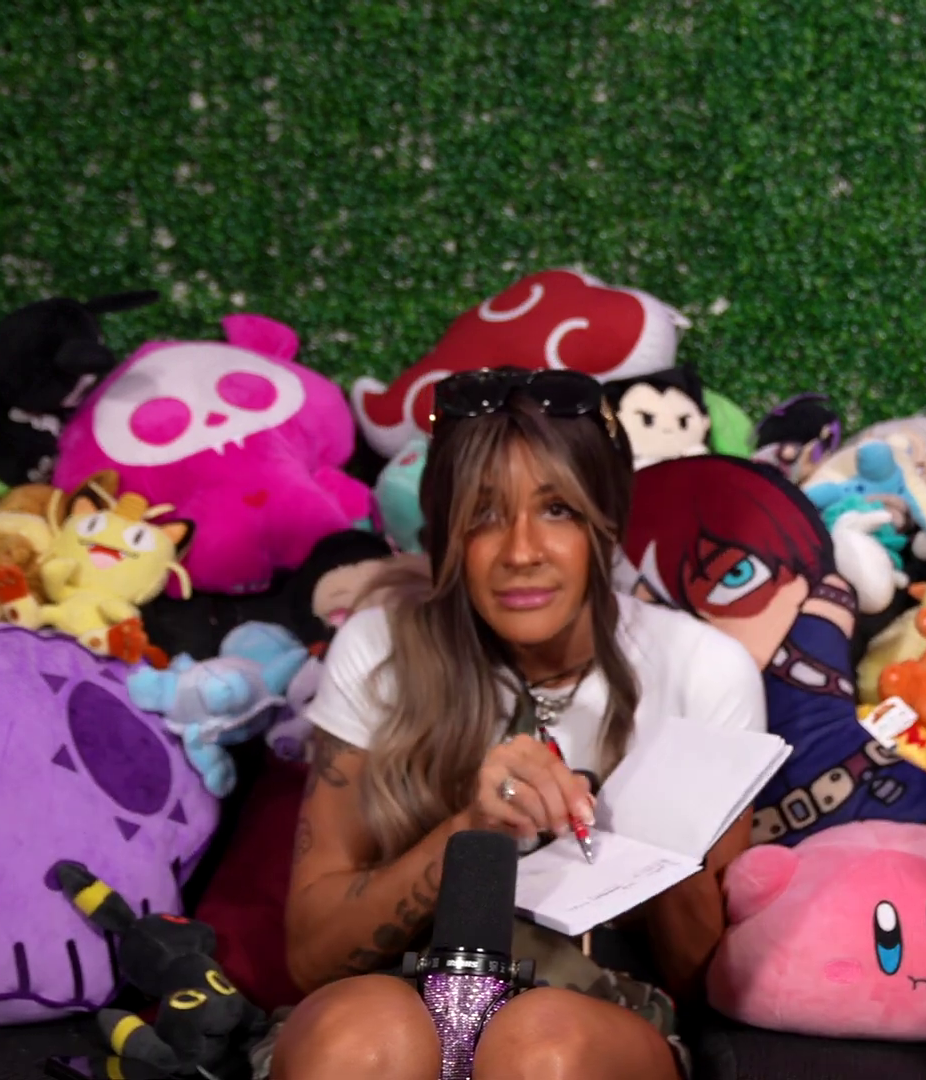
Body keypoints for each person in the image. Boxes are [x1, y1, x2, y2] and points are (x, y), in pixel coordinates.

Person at [266, 368, 768, 1080]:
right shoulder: (381, 648)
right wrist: (471, 831)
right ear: (445, 534)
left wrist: (659, 834)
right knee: (357, 1042)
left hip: (602, 1010)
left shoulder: (702, 670)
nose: (521, 551)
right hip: (407, 990)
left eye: (558, 509)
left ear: (607, 521)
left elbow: (703, 983)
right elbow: (310, 958)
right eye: (483, 514)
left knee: (542, 1048)